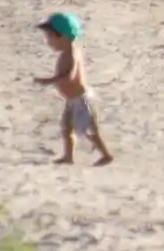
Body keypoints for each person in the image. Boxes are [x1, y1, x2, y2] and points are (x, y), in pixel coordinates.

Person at [34, 12, 115, 166]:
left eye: (51, 37)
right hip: (72, 100)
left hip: (81, 100)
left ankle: (106, 155)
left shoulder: (71, 53)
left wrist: (49, 81)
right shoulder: (66, 52)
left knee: (89, 130)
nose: (48, 42)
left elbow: (69, 76)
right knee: (67, 128)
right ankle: (68, 156)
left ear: (63, 36)